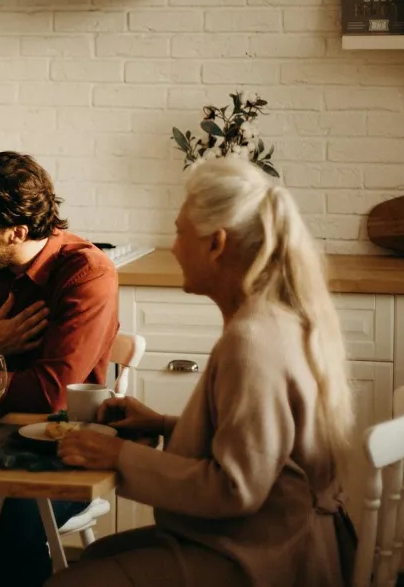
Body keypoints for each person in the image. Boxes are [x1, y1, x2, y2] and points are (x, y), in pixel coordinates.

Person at [50, 157, 356, 587]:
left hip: (269, 557)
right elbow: (263, 449)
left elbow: (235, 487)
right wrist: (160, 424)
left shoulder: (252, 340)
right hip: (275, 537)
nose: (173, 247)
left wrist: (119, 455)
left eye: (179, 232)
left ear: (216, 244)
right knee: (96, 554)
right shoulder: (277, 318)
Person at [0, 151, 119, 587]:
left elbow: (53, 392)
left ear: (17, 232)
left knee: (13, 519)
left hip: (57, 450)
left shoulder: (85, 274)